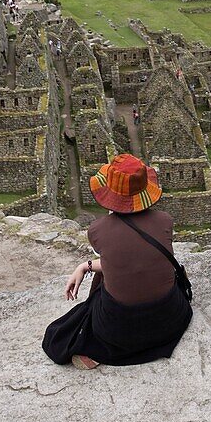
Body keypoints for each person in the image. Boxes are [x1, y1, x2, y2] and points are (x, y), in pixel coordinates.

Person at [42, 153, 193, 369]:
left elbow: (117, 261)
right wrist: (85, 267)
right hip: (170, 320)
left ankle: (97, 349)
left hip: (120, 330)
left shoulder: (98, 230)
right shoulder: (164, 221)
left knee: (68, 326)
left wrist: (86, 266)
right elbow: (127, 261)